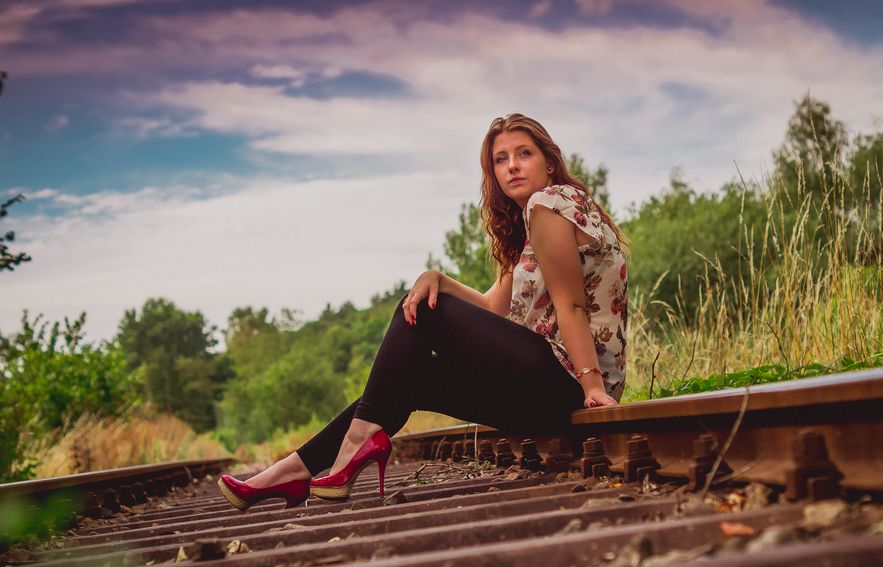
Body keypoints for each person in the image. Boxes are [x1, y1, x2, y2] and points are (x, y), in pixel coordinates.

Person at [217, 113, 629, 512]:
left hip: (569, 381)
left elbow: (571, 304)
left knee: (420, 311)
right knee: (409, 374)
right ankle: (293, 470)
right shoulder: (533, 225)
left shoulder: (550, 204)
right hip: (545, 389)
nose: (512, 167)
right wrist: (437, 278)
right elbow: (490, 307)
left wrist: (592, 387)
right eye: (500, 160)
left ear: (550, 161)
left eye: (524, 154)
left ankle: (351, 444)